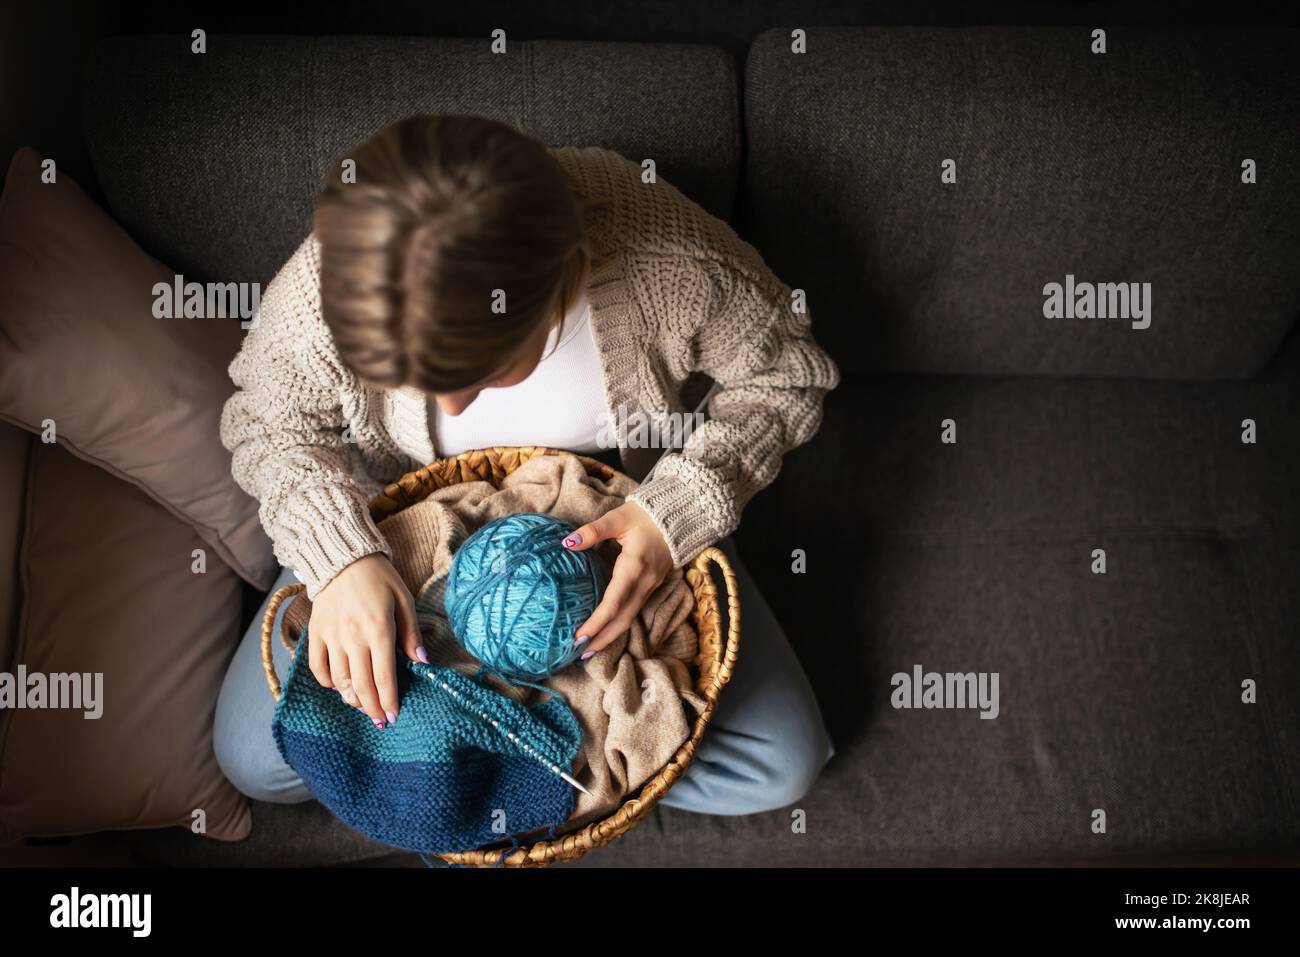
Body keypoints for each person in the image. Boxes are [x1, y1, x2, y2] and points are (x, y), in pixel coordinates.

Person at [215, 113, 841, 817]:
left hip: (618, 514)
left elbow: (789, 373)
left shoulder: (667, 258)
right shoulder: (330, 277)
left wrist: (676, 512)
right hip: (399, 522)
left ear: (554, 289)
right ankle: (535, 763)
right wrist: (339, 559)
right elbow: (269, 418)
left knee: (783, 762)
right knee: (250, 755)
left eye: (483, 375)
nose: (448, 407)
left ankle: (482, 769)